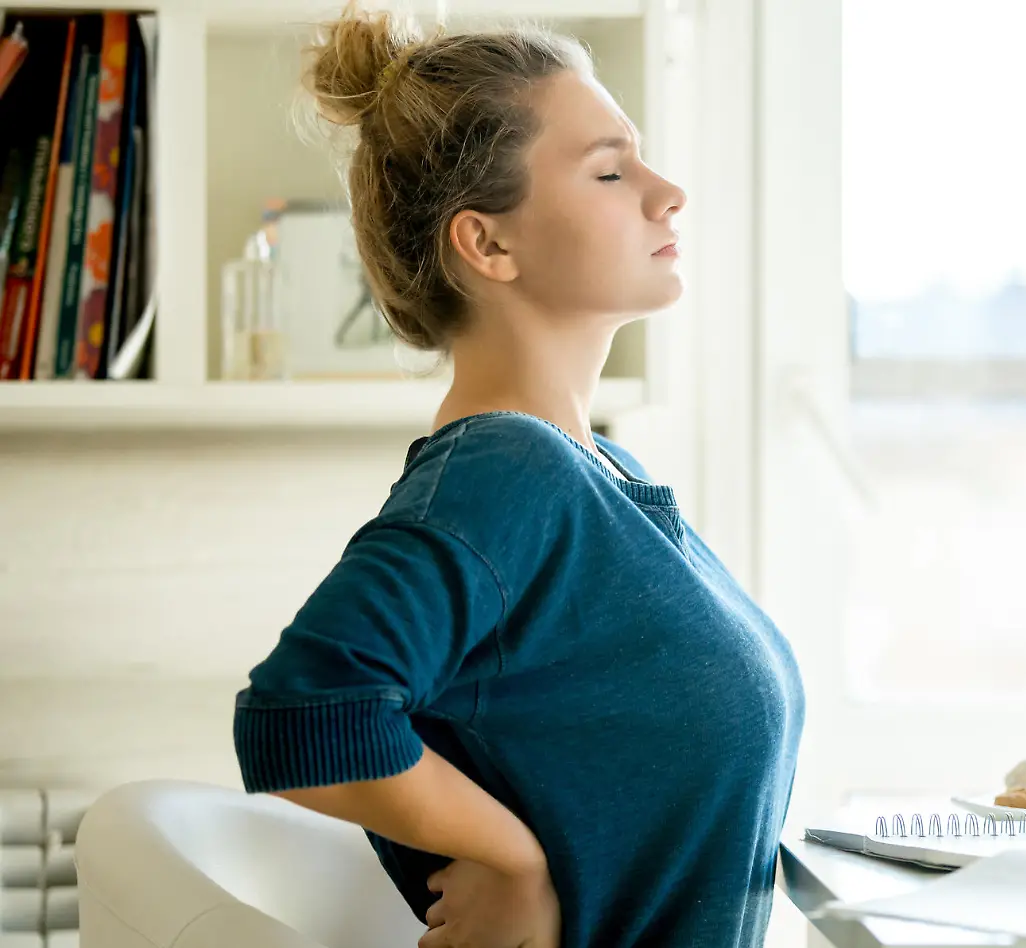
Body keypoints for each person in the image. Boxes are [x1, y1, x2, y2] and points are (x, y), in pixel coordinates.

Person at [229, 6, 805, 947]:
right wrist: (509, 856)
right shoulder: (506, 473)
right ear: (487, 245)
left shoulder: (598, 473)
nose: (668, 194)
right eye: (612, 171)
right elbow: (302, 714)